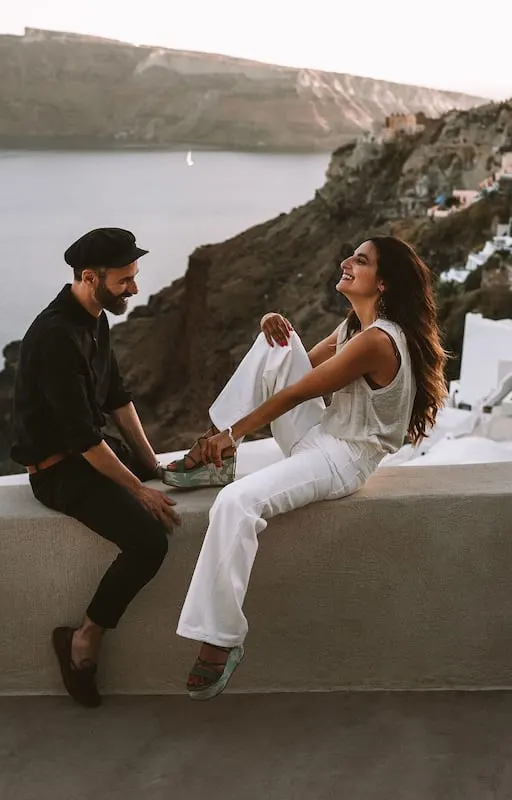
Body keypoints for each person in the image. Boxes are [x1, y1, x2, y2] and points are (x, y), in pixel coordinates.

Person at [164, 236, 447, 700]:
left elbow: (296, 393)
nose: (346, 263)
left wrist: (232, 432)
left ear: (383, 284)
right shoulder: (355, 325)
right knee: (277, 341)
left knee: (236, 503)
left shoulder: (378, 341)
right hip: (320, 432)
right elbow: (296, 370)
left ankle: (220, 640)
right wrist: (271, 329)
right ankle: (218, 457)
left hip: (343, 458)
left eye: (361, 260)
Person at [10, 227, 181, 709]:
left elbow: (116, 398)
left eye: (134, 277)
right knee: (148, 543)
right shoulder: (54, 336)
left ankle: (84, 637)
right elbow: (81, 438)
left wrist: (151, 468)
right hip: (58, 472)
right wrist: (140, 491)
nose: (134, 288)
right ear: (90, 277)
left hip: (89, 453)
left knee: (180, 480)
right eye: (125, 280)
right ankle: (83, 639)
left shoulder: (95, 317)